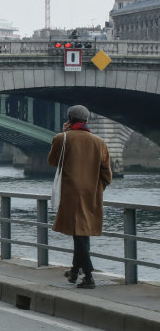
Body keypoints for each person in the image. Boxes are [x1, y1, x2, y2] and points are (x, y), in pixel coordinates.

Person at [48, 105, 112, 289]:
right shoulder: (99, 142)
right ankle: (75, 272)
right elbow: (107, 174)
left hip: (71, 195)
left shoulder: (62, 138)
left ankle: (89, 276)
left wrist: (63, 134)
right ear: (87, 120)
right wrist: (96, 190)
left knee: (79, 234)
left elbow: (52, 161)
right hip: (92, 194)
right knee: (82, 234)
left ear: (69, 119)